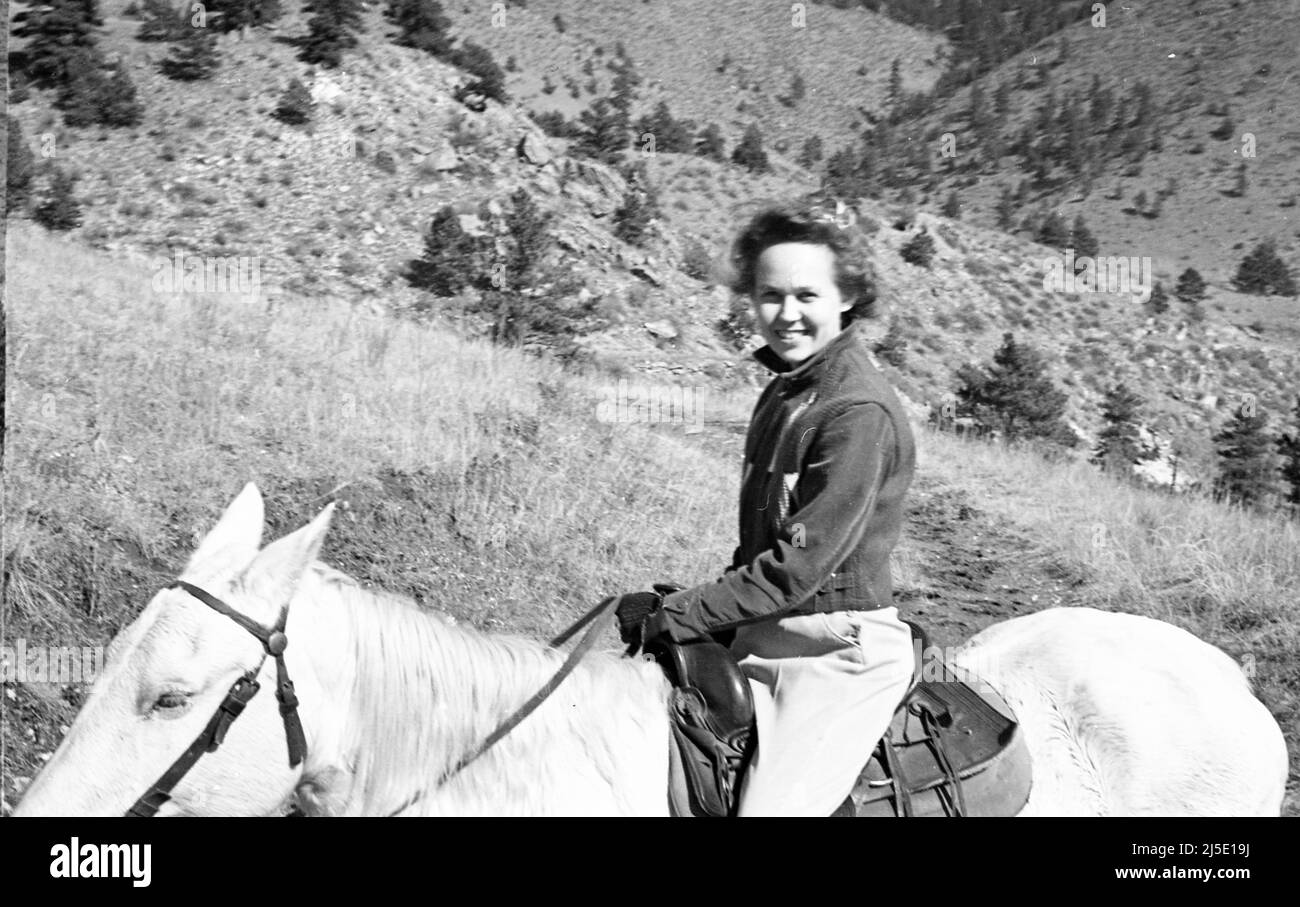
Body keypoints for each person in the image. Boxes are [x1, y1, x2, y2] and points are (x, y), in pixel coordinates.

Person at [615, 201, 917, 817]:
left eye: (807, 294)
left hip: (834, 649)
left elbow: (795, 571)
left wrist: (683, 612)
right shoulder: (783, 393)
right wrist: (709, 609)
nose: (786, 314)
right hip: (767, 627)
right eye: (769, 294)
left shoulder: (856, 411)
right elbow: (757, 549)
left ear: (848, 296)